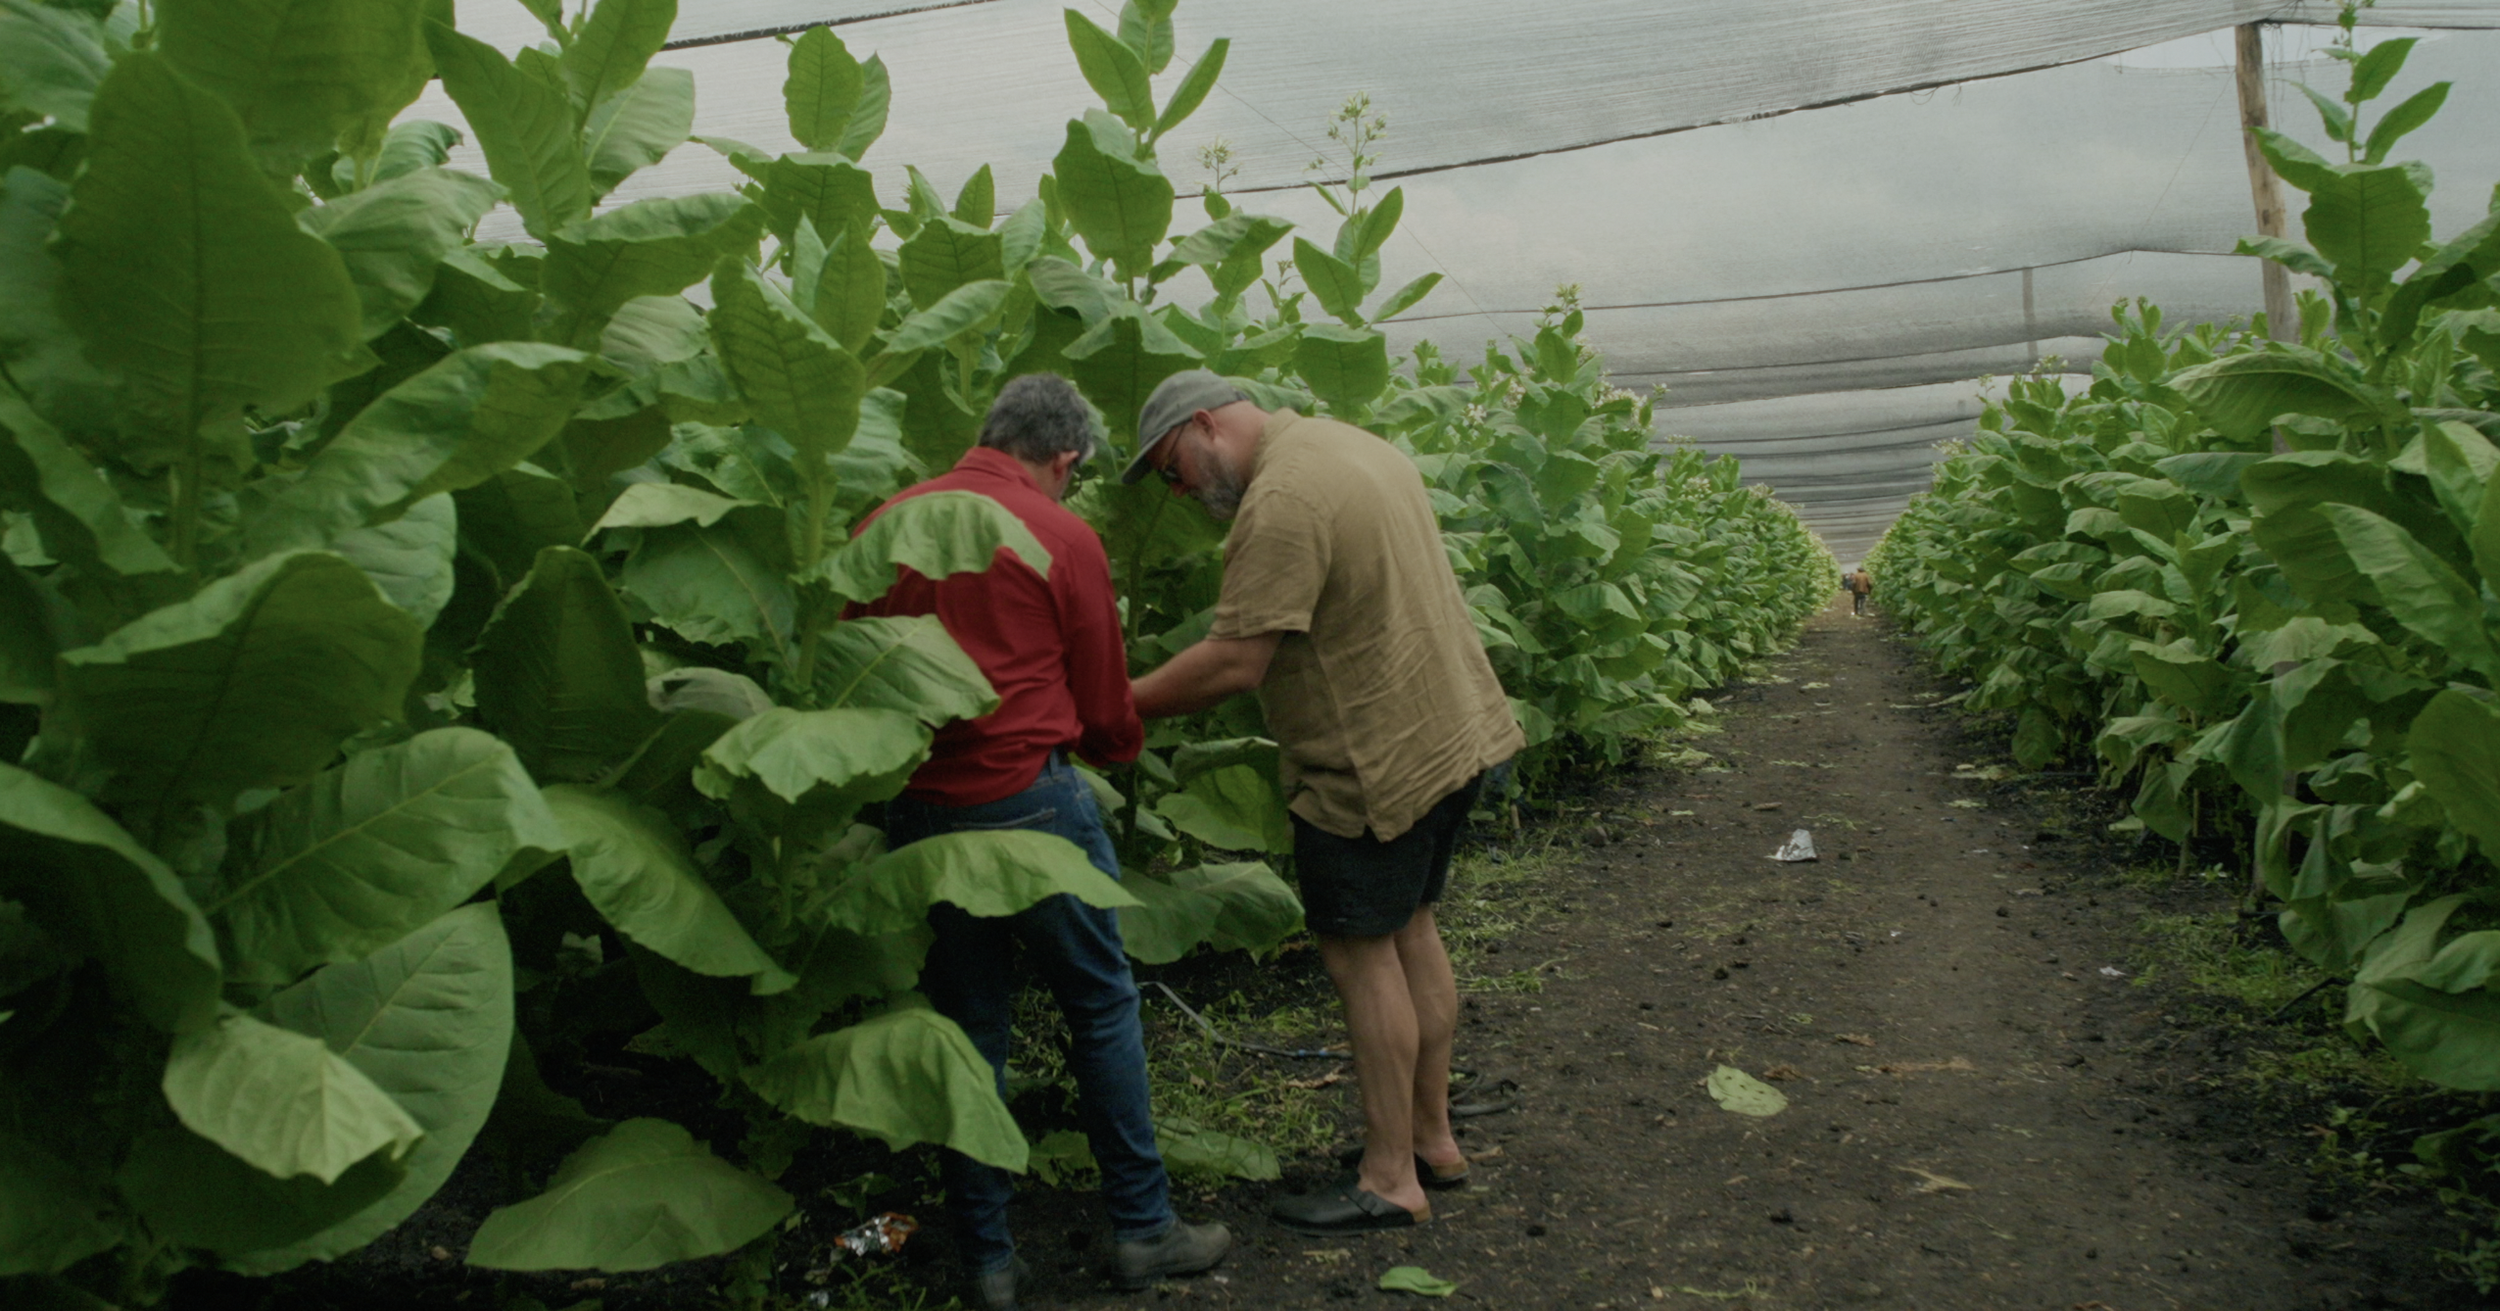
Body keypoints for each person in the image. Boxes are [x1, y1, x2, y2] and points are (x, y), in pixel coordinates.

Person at [853, 374, 1230, 1310]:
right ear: (1064, 460)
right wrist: (1115, 748)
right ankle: (1143, 1230)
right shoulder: (1060, 534)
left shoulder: (884, 524)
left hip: (924, 814)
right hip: (1030, 801)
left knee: (971, 1030)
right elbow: (1103, 698)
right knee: (1100, 1007)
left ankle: (988, 1260)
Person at [1122, 370, 1525, 1237]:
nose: (1180, 491)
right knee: (1413, 926)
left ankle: (1389, 1178)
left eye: (1171, 467)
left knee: (1358, 952)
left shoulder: (1283, 497)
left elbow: (1236, 661)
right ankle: (1433, 1141)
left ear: (1204, 425)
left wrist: (1118, 705)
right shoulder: (1353, 446)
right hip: (1451, 733)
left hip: (1370, 762)